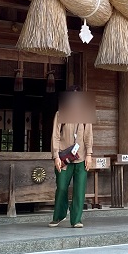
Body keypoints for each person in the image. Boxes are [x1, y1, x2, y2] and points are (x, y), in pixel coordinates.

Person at [49, 90, 95, 229]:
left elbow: (88, 136)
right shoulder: (60, 113)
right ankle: (59, 215)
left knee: (79, 189)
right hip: (64, 158)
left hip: (80, 158)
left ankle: (76, 219)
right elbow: (55, 136)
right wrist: (56, 156)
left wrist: (89, 155)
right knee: (62, 187)